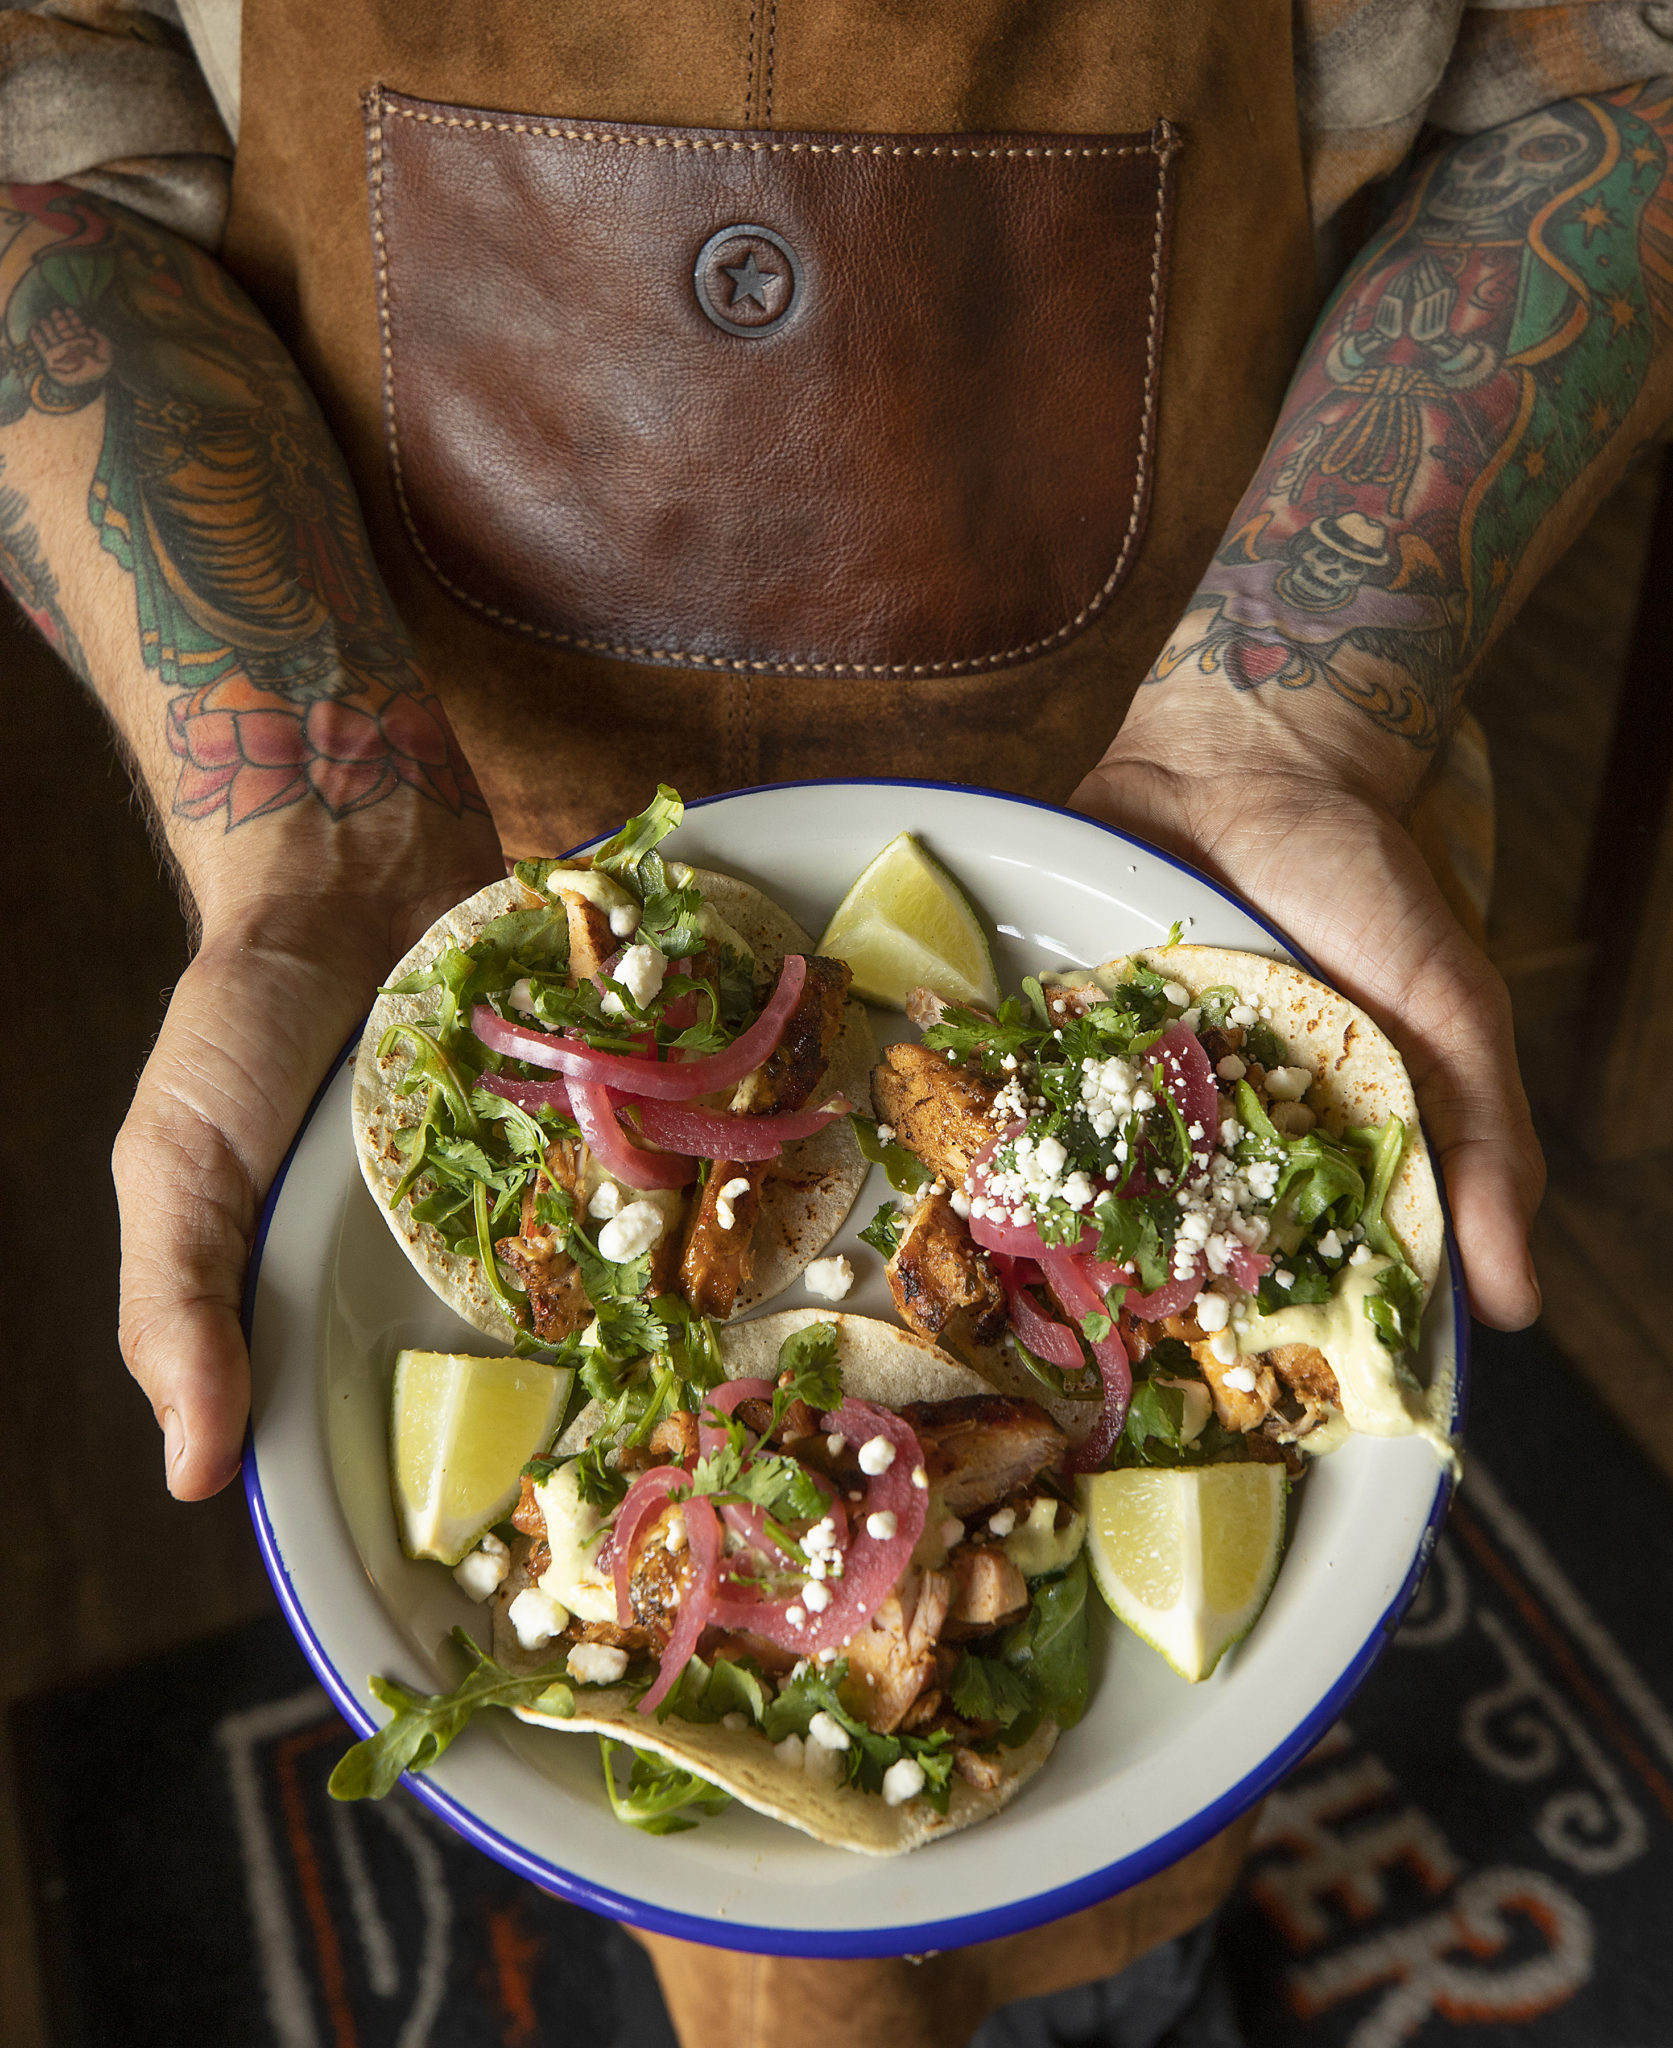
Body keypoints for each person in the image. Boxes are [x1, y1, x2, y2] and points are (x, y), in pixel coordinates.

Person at [4, 0, 1669, 2040]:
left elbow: (1626, 75)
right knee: (751, 1956)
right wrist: (316, 838)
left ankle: (1131, 1984)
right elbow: (35, 155)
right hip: (471, 833)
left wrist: (1309, 708)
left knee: (1153, 1838)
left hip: (1224, 799)